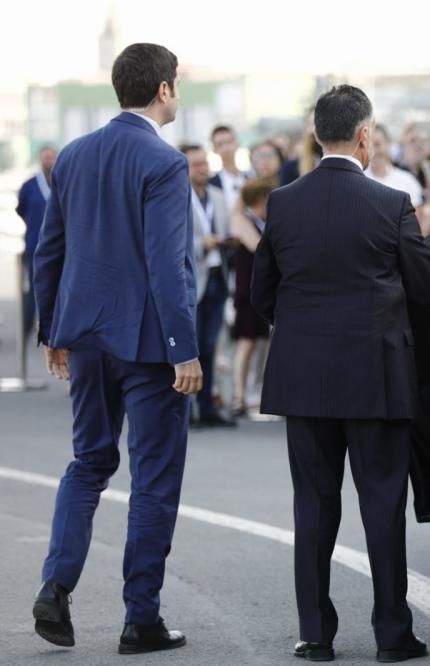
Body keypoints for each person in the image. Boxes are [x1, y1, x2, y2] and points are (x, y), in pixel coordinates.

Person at [251, 84, 430, 663]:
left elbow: (263, 295)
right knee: (382, 506)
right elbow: (426, 288)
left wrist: (307, 328)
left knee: (313, 505)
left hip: (304, 375)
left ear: (315, 133)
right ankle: (392, 635)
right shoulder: (391, 203)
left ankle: (315, 634)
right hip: (376, 374)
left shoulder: (282, 204)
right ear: (365, 135)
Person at [31, 42, 201, 654]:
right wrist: (185, 348)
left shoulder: (73, 156)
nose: (176, 92)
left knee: (88, 462)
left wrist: (53, 331)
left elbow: (51, 248)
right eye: (176, 83)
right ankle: (140, 618)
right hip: (151, 345)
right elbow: (168, 265)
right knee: (154, 478)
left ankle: (56, 584)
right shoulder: (164, 161)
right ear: (162, 90)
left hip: (87, 338)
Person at [181, 144, 236, 428]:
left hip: (217, 277)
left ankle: (207, 405)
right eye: (196, 165)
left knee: (210, 345)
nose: (202, 169)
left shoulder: (217, 195)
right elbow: (173, 239)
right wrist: (202, 243)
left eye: (204, 164)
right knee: (190, 346)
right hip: (192, 280)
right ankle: (186, 408)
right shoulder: (177, 196)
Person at [228, 178, 274, 417]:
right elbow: (257, 246)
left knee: (261, 343)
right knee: (246, 343)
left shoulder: (263, 221)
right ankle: (238, 396)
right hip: (247, 290)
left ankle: (253, 395)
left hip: (260, 289)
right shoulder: (241, 219)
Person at [15, 144, 57, 337]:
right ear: (40, 160)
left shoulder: (62, 182)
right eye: (45, 157)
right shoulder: (30, 186)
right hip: (34, 245)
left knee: (57, 288)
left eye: (51, 157)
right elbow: (21, 209)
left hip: (58, 247)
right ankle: (27, 329)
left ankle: (53, 328)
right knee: (34, 287)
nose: (48, 161)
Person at [365, 124, 423, 207]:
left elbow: (416, 216)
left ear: (388, 145)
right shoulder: (358, 179)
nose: (373, 151)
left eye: (377, 145)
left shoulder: (408, 180)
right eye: (368, 146)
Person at [208, 125, 248, 213]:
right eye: (220, 144)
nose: (226, 148)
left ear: (237, 144)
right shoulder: (211, 184)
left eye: (229, 142)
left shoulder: (251, 178)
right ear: (214, 149)